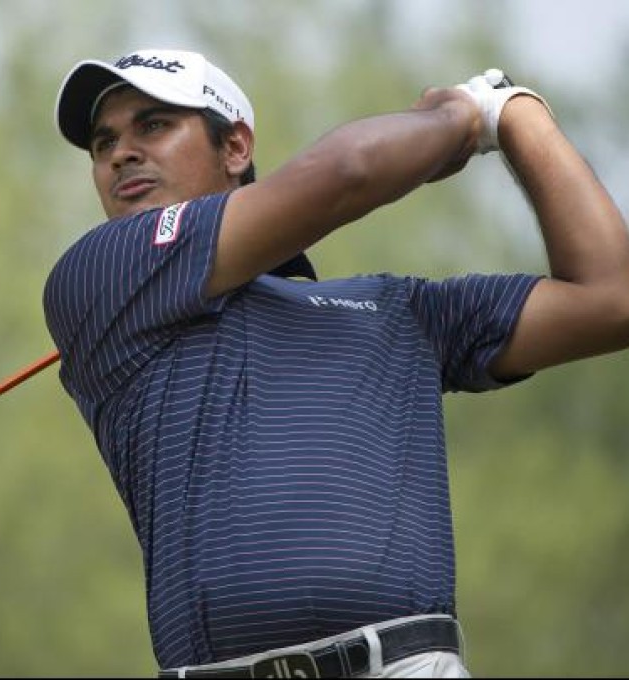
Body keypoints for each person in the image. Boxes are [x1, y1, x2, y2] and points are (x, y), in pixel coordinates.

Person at [42, 47, 629, 678]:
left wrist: (514, 114)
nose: (121, 153)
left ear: (236, 148)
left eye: (153, 125)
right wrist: (460, 117)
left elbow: (612, 299)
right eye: (104, 143)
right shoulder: (97, 276)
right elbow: (349, 170)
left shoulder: (399, 308)